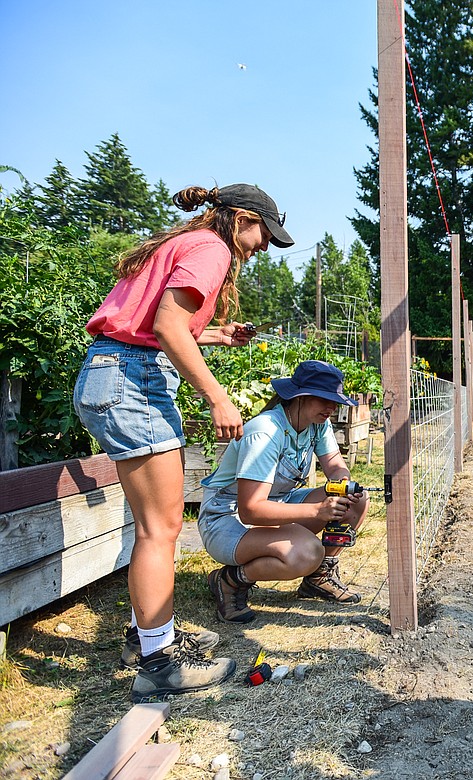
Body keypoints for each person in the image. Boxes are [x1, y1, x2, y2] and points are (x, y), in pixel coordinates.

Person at [73, 183, 295, 702]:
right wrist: (218, 396)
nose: (263, 245)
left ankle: (150, 636)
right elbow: (167, 326)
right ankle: (158, 662)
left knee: (156, 526)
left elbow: (150, 322)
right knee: (162, 527)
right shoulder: (213, 248)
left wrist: (215, 334)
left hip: (112, 370)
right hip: (134, 381)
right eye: (264, 233)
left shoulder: (187, 242)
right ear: (241, 218)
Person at [199, 360, 370, 624]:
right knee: (306, 552)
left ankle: (318, 578)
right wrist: (317, 510)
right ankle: (229, 581)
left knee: (356, 501)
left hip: (278, 504)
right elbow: (251, 510)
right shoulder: (266, 432)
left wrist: (344, 485)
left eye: (334, 400)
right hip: (226, 518)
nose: (332, 408)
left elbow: (336, 466)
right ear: (299, 396)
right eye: (324, 399)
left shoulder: (316, 424)